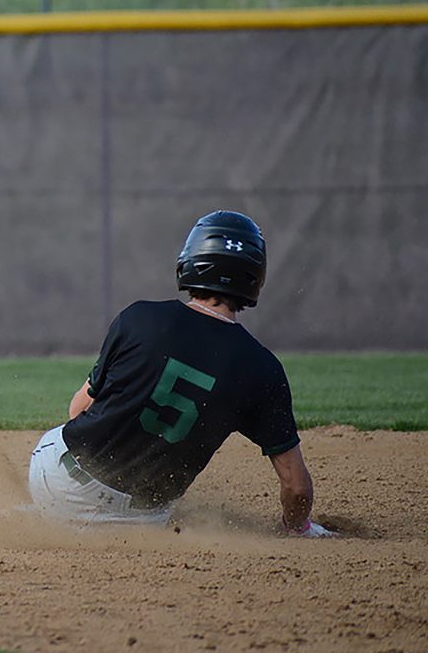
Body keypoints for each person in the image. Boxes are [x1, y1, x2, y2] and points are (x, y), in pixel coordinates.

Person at [28, 211, 336, 537]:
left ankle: (41, 515)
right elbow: (297, 488)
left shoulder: (139, 318)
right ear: (254, 276)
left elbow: (78, 411)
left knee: (67, 435)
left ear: (192, 259)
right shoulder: (263, 369)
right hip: (137, 523)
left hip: (56, 485)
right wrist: (296, 527)